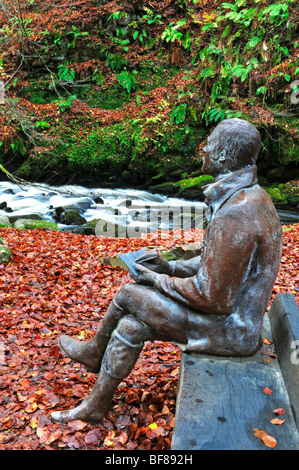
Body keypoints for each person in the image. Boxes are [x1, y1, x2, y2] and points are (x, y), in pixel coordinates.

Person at [51, 118, 283, 424]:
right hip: (231, 320)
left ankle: (94, 353)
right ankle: (95, 405)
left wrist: (156, 279)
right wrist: (170, 266)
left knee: (130, 294)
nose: (204, 148)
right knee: (131, 327)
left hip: (231, 329)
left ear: (224, 156)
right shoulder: (246, 198)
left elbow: (213, 298)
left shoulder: (237, 213)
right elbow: (214, 266)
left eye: (209, 142)